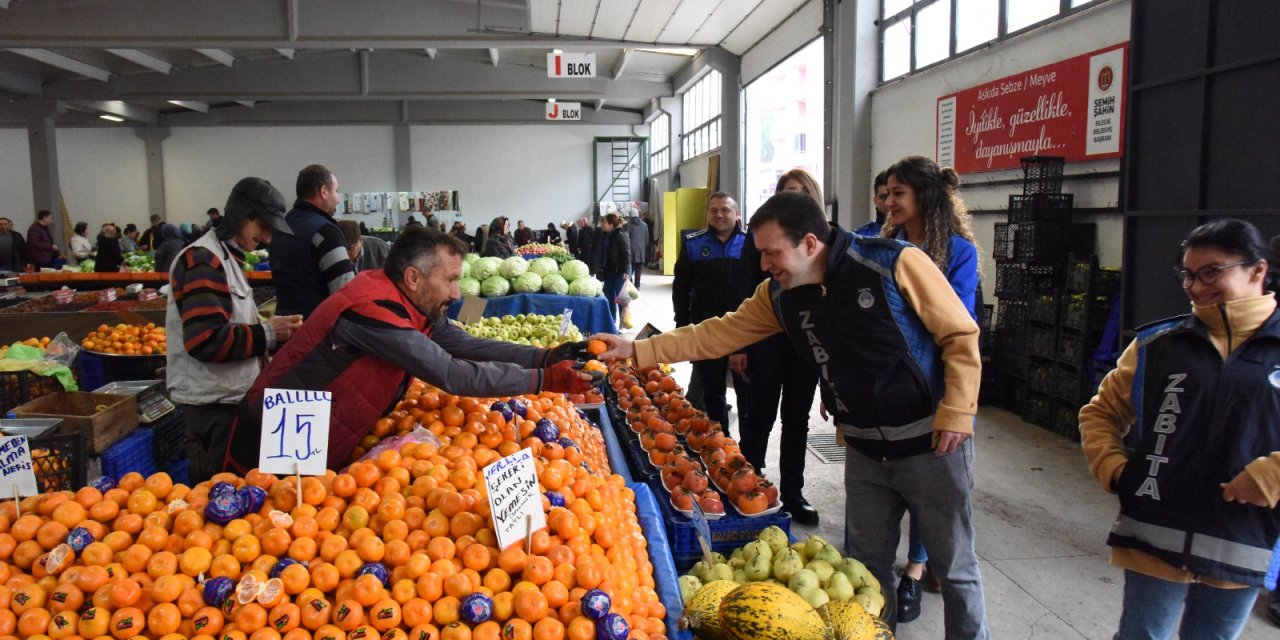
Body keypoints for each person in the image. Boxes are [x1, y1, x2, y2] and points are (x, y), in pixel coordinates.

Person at [592, 191, 987, 638]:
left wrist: (957, 410)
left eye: (771, 252)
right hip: (863, 451)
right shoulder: (779, 294)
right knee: (867, 572)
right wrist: (640, 349)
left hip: (930, 442)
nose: (764, 264)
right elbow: (719, 332)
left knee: (954, 568)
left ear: (811, 243)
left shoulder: (893, 264)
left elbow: (959, 333)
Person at [223, 228, 596, 472]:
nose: (456, 292)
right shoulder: (372, 309)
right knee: (264, 534)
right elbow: (452, 373)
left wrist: (543, 356)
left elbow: (460, 344)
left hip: (320, 433)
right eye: (449, 279)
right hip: (277, 439)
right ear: (414, 277)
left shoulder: (410, 304)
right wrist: (544, 378)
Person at [1080, 218, 1280, 640]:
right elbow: (1100, 413)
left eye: (1212, 272)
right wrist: (1114, 468)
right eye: (1189, 274)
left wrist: (1272, 474)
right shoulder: (1158, 345)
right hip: (1154, 532)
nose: (1195, 285)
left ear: (1257, 271)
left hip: (1242, 537)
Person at [876, 157, 982, 622]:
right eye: (887, 193)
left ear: (925, 196)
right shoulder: (878, 245)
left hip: (936, 386)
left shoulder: (957, 251)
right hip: (885, 385)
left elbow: (954, 322)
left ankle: (916, 571)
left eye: (899, 193)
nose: (889, 201)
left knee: (931, 484)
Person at [166, 177, 304, 484]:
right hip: (213, 409)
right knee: (223, 497)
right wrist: (269, 333)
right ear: (245, 217)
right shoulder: (203, 260)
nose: (267, 238)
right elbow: (205, 340)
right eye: (264, 226)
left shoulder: (226, 259)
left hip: (229, 400)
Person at [740, 169, 823, 525]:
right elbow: (743, 294)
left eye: (802, 191)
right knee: (759, 413)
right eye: (789, 191)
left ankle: (792, 491)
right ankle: (747, 482)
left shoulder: (827, 242)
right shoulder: (761, 236)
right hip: (766, 340)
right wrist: (739, 345)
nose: (796, 196)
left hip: (804, 347)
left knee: (797, 420)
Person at [673, 192, 755, 437]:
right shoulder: (693, 244)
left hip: (745, 333)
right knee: (712, 393)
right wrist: (682, 325)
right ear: (707, 214)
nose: (719, 215)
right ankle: (722, 444)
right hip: (706, 331)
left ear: (737, 214)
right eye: (714, 210)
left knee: (748, 396)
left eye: (726, 210)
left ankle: (750, 453)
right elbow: (681, 288)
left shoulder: (751, 245)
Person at [272, 164, 356, 318]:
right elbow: (345, 293)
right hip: (318, 330)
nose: (338, 198)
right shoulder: (325, 232)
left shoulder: (282, 227)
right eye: (336, 191)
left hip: (285, 327)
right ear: (324, 191)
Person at [591, 213, 632, 324]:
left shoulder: (620, 235)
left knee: (621, 299)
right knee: (609, 298)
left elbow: (626, 254)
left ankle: (623, 324)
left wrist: (625, 271)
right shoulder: (604, 236)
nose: (602, 224)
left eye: (604, 222)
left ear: (611, 224)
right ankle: (612, 321)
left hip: (619, 272)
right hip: (608, 272)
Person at [857, 170, 890, 237]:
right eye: (883, 197)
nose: (888, 202)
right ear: (875, 201)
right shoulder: (861, 235)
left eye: (897, 194)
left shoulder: (910, 233)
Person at [626, 211, 649, 288]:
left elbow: (626, 238)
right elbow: (647, 240)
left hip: (630, 251)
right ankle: (637, 286)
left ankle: (630, 285)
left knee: (630, 269)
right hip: (640, 251)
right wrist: (642, 247)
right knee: (638, 270)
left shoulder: (627, 225)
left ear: (630, 216)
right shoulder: (644, 225)